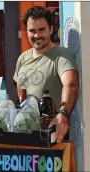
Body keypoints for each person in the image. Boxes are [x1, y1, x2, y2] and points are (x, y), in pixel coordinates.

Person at [13, 6, 79, 143]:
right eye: (32, 31)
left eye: (41, 30)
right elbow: (20, 92)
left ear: (51, 29)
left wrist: (63, 114)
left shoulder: (61, 54)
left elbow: (71, 84)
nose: (37, 35)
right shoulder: (22, 58)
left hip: (51, 136)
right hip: (25, 136)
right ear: (26, 31)